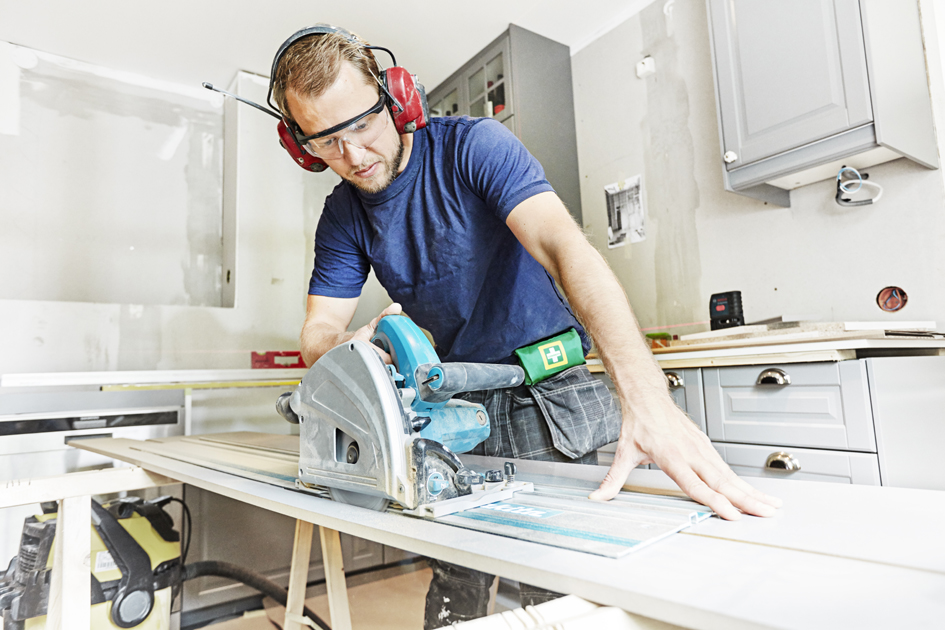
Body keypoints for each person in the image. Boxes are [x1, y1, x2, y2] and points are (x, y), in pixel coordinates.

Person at [269, 25, 781, 628]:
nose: (353, 155)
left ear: (395, 96)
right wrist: (346, 346)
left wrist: (647, 401)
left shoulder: (473, 147)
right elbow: (317, 331)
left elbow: (565, 248)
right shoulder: (343, 214)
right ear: (301, 145)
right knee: (455, 582)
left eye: (362, 124)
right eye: (327, 140)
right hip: (457, 408)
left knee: (564, 593)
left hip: (551, 399)